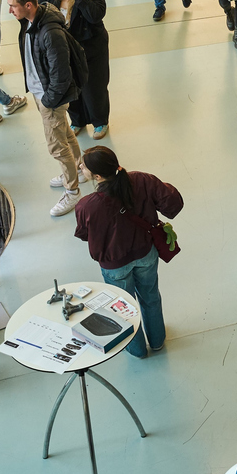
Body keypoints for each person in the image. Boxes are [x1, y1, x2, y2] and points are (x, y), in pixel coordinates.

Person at [75, 146, 182, 358]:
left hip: (115, 266)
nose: (80, 167)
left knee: (123, 309)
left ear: (97, 176)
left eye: (83, 166)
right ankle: (158, 341)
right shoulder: (141, 180)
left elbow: (84, 234)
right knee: (150, 297)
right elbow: (172, 202)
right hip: (146, 254)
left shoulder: (87, 206)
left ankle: (137, 350)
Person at [4, 0, 84, 217]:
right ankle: (77, 169)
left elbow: (61, 74)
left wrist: (48, 100)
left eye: (13, 6)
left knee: (57, 146)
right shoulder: (30, 22)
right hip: (41, 93)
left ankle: (73, 192)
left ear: (28, 5)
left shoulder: (50, 32)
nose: (10, 11)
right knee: (65, 133)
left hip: (49, 96)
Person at [39, 0, 110, 139]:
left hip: (91, 48)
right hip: (64, 48)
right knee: (70, 85)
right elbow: (41, 10)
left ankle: (100, 121)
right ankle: (77, 120)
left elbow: (95, 16)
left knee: (94, 87)